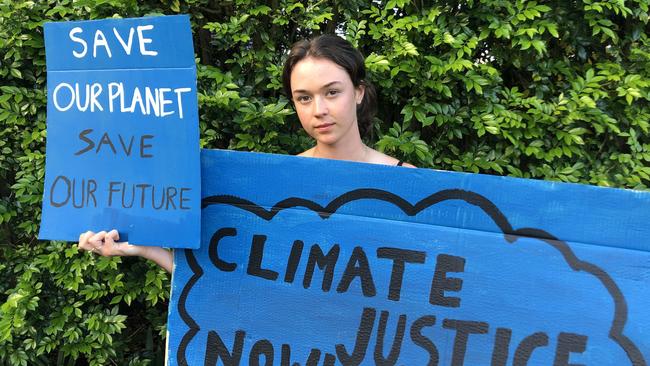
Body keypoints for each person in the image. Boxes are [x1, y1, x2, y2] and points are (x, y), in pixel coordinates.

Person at [78, 35, 414, 272]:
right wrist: (147, 250)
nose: (320, 109)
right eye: (304, 97)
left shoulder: (413, 185)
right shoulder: (274, 184)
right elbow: (233, 283)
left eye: (332, 92)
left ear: (358, 92)